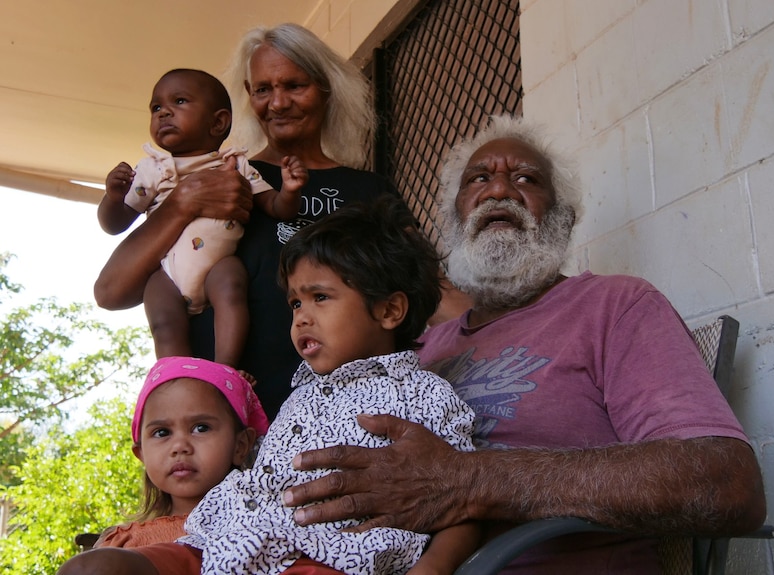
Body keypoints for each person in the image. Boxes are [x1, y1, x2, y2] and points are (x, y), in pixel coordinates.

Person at [278, 116, 769, 574]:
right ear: (452, 219)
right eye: (478, 179)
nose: (498, 189)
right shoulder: (420, 350)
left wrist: (471, 481)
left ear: (562, 218)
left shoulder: (615, 306)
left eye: (526, 179)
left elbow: (726, 482)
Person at [61, 197, 478, 575]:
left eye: (320, 297)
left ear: (389, 310)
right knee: (96, 568)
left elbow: (463, 499)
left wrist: (435, 567)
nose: (301, 316)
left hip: (327, 559)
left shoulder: (424, 394)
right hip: (225, 545)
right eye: (296, 302)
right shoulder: (299, 398)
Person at [93, 25, 401, 419]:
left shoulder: (369, 189)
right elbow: (110, 291)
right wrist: (185, 201)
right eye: (262, 90)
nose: (278, 103)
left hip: (343, 412)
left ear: (326, 89)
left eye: (294, 86)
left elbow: (425, 289)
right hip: (227, 420)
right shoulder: (227, 171)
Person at [96, 68, 305, 367]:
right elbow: (115, 224)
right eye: (156, 107)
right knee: (164, 325)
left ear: (218, 122)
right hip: (166, 273)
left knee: (233, 291)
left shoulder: (235, 164)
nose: (163, 113)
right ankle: (177, 380)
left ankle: (225, 369)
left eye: (179, 101)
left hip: (217, 268)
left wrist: (291, 190)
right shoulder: (152, 169)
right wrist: (114, 198)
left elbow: (276, 206)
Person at [89, 356, 268, 550]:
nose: (180, 446)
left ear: (240, 445)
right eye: (162, 432)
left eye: (201, 428)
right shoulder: (122, 546)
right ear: (141, 454)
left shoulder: (266, 526)